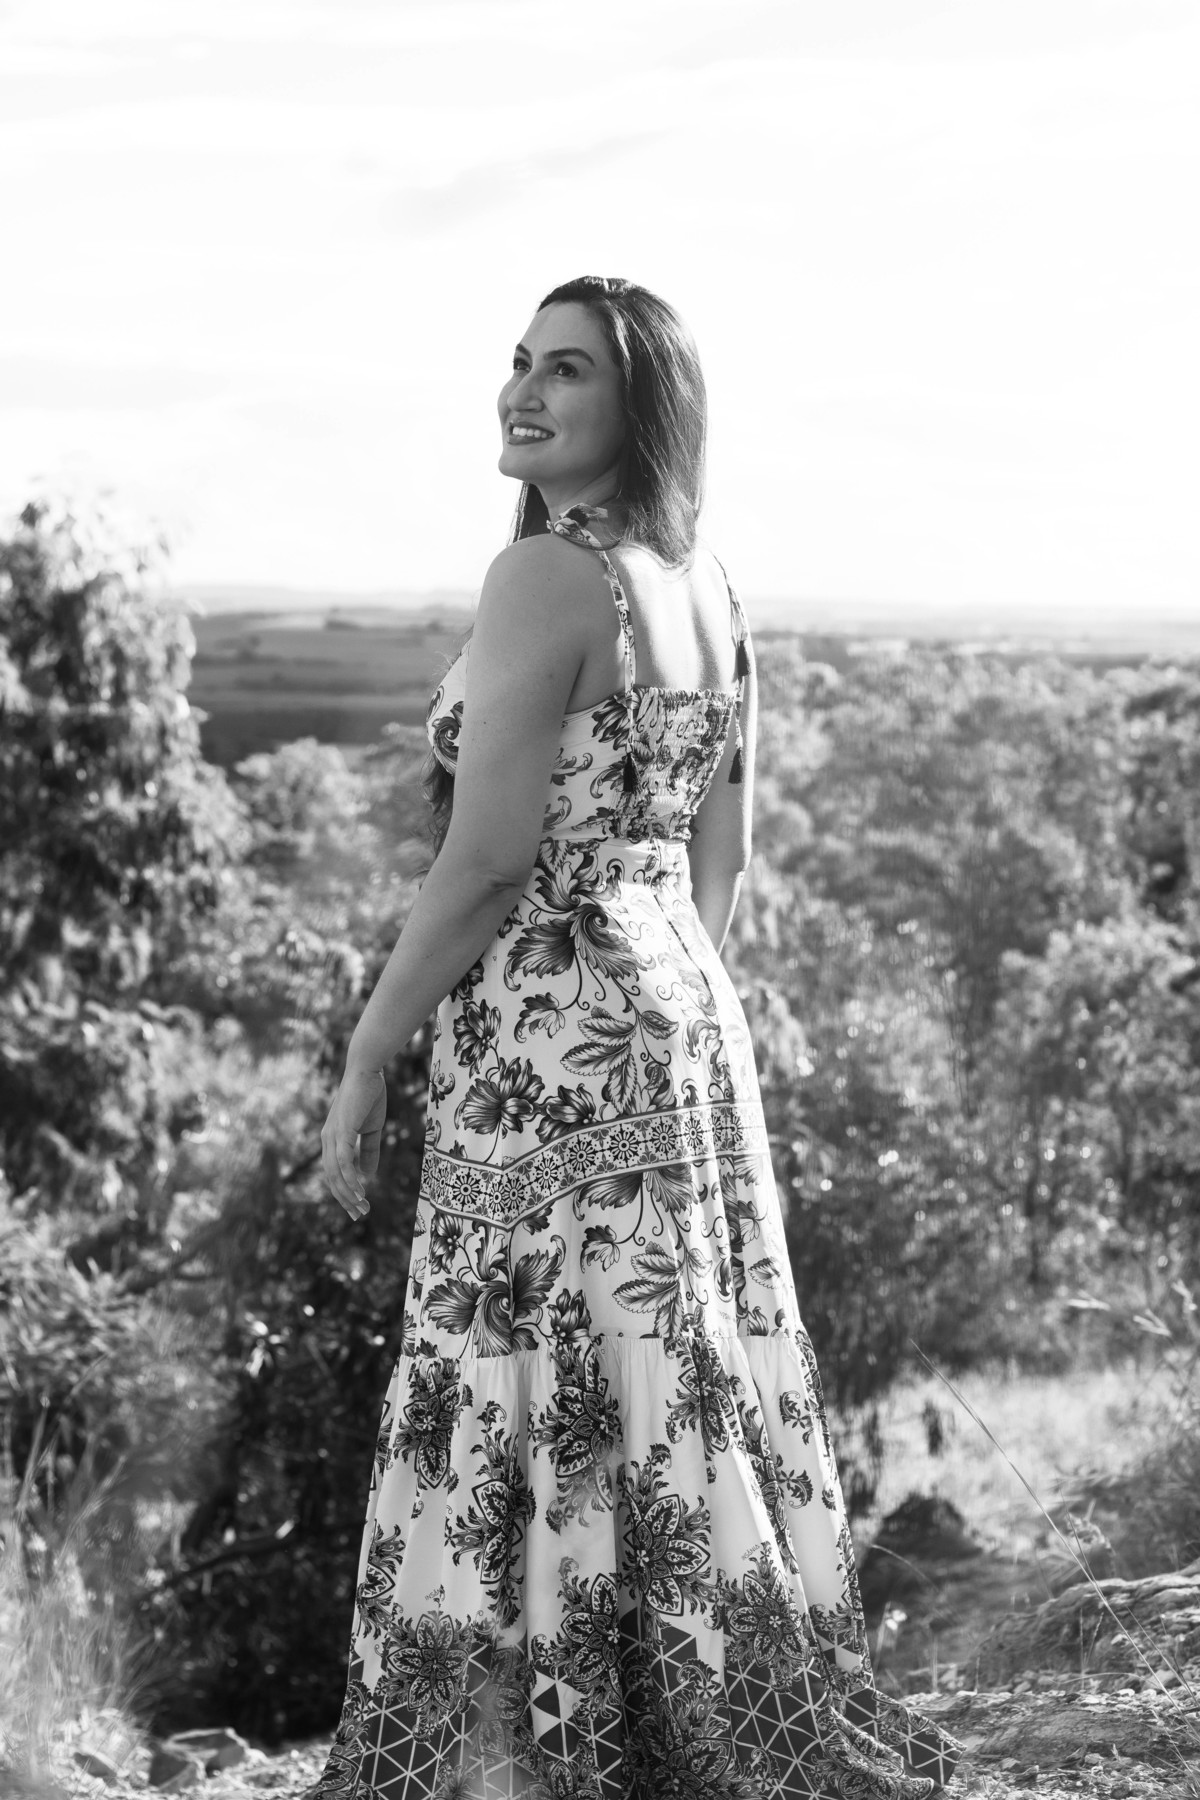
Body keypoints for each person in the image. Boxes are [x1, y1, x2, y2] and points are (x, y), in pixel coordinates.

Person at [311, 276, 960, 1799]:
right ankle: (702, 1711)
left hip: (543, 1035)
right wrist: (664, 1006)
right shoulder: (709, 582)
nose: (524, 392)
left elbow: (484, 865)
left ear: (641, 404)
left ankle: (526, 1741)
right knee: (672, 1362)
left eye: (569, 371)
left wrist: (367, 1053)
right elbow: (722, 857)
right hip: (678, 1017)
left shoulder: (545, 579)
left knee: (529, 1366)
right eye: (520, 362)